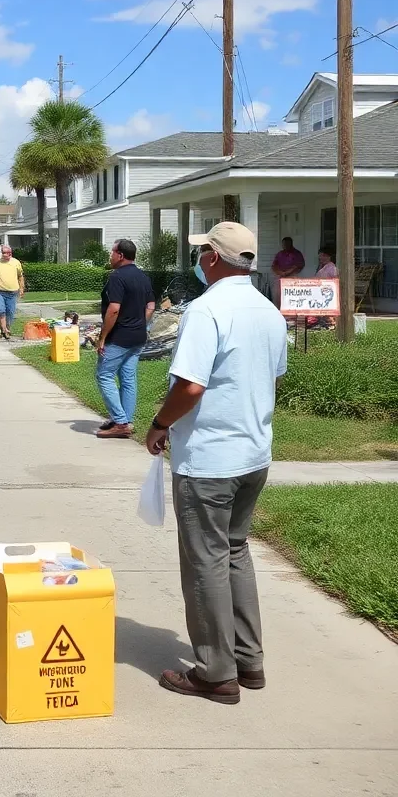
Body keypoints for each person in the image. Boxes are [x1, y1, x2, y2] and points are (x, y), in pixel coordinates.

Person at [145, 222, 287, 706]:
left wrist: (160, 423)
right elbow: (273, 379)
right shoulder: (268, 311)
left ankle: (215, 671)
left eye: (203, 251)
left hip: (209, 459)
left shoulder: (207, 310)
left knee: (206, 559)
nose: (199, 259)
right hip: (253, 454)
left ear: (213, 258)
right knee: (234, 551)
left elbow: (190, 386)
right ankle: (249, 660)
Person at [95, 239, 155, 438]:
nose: (110, 256)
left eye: (112, 252)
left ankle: (120, 422)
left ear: (120, 255)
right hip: (138, 336)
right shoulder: (143, 276)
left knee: (104, 375)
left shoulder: (117, 277)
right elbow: (151, 306)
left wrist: (103, 337)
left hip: (119, 337)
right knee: (128, 378)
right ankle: (125, 421)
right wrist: (139, 324)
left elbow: (113, 310)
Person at [271, 236, 305, 307]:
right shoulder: (280, 254)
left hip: (292, 277)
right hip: (280, 276)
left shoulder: (297, 253)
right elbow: (274, 266)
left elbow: (298, 265)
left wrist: (287, 273)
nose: (285, 246)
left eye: (287, 244)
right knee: (277, 296)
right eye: (283, 244)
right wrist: (280, 273)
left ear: (291, 244)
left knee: (291, 297)